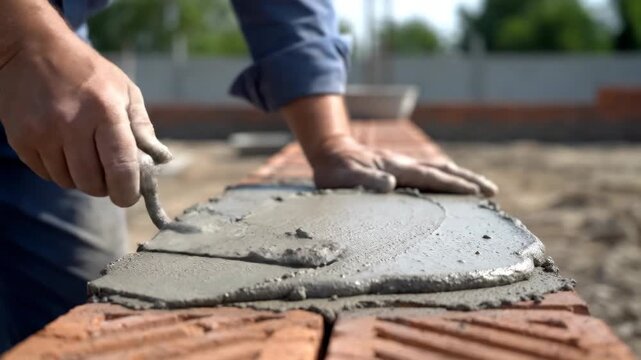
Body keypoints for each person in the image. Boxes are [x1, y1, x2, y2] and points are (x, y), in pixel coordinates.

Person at [0, 0, 498, 351]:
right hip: (36, 62)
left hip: (49, 102)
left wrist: (329, 143)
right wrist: (22, 41)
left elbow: (286, 10)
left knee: (75, 314)